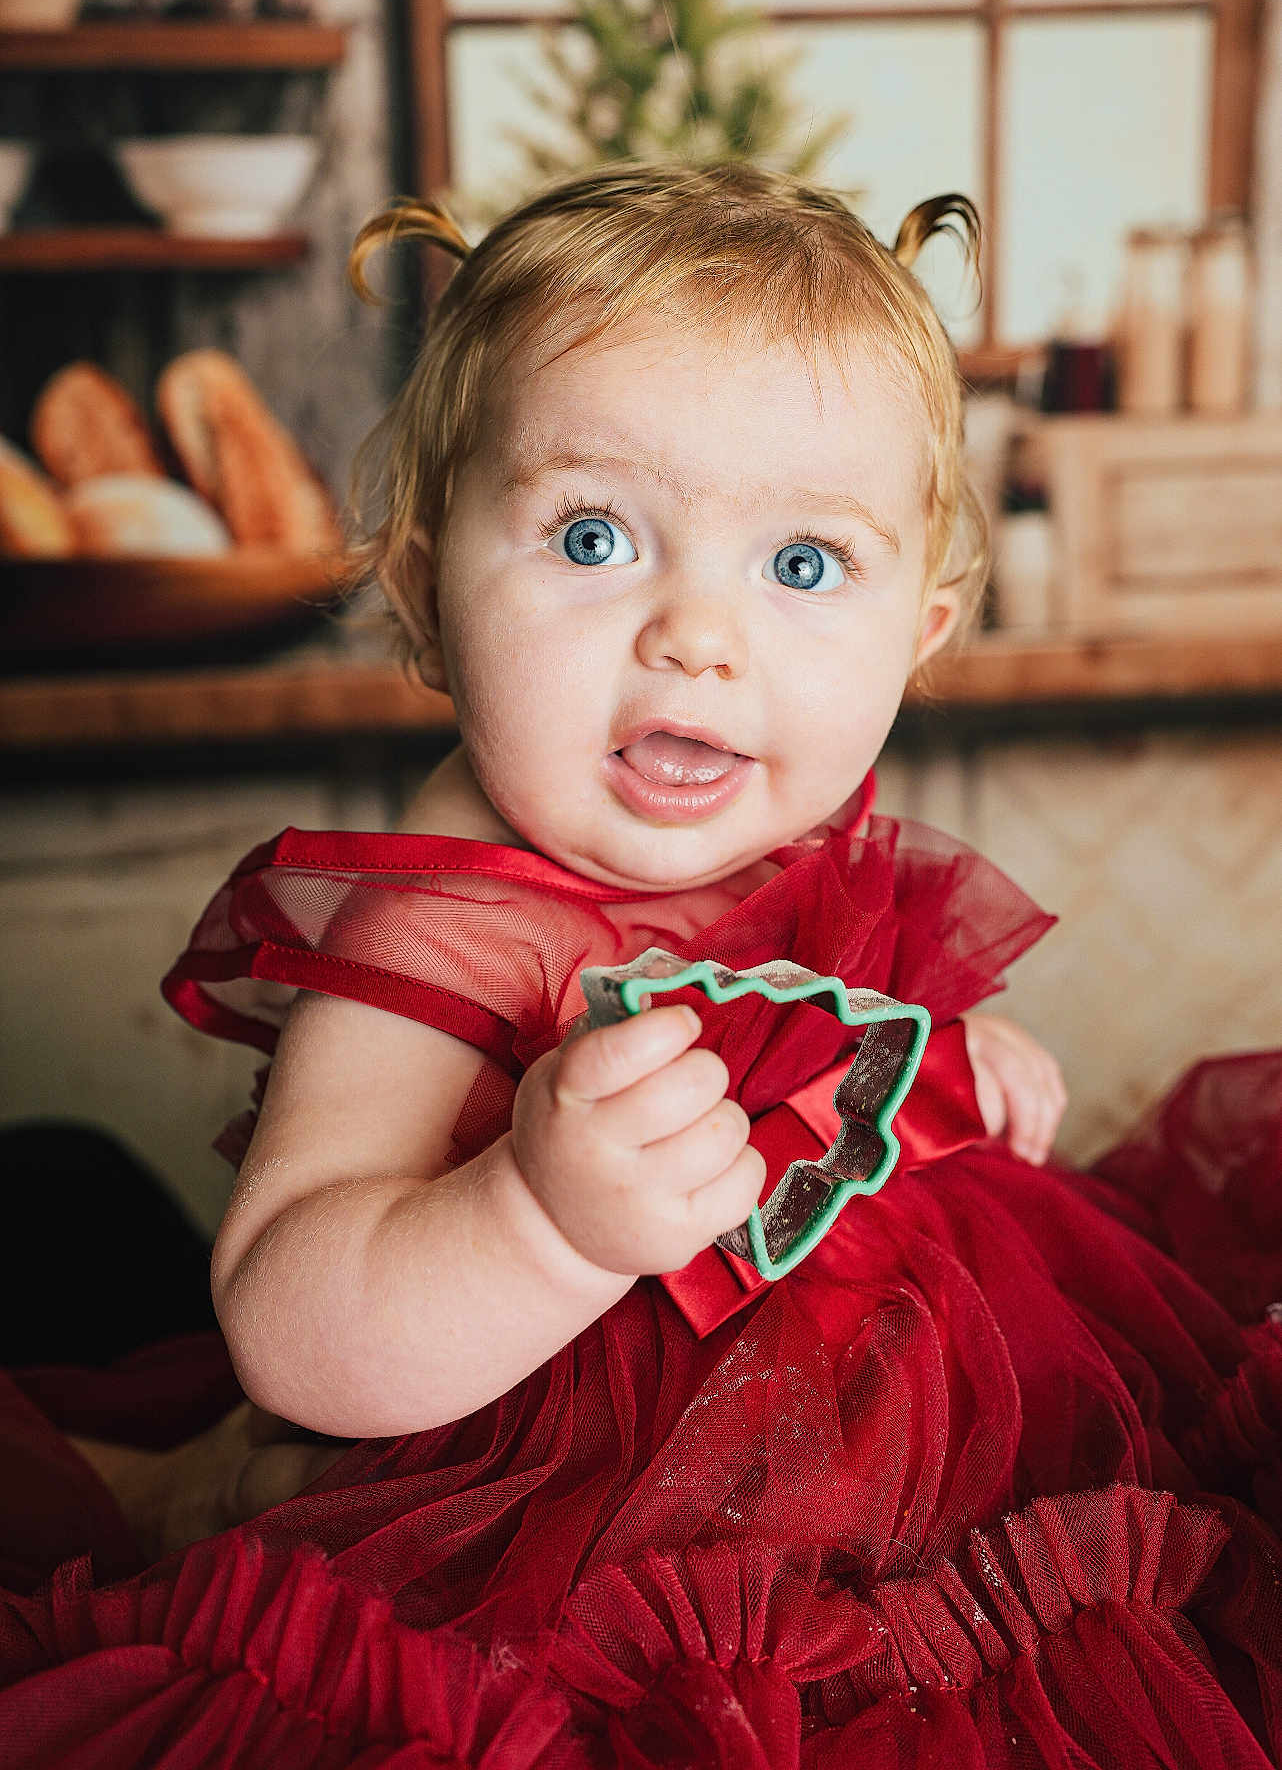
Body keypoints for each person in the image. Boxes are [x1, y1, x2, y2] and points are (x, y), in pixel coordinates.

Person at [0, 162, 1277, 1766]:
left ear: (921, 630)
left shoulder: (786, 815)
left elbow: (819, 1047)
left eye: (802, 567)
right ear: (422, 585)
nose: (698, 633)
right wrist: (535, 1218)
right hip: (577, 1534)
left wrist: (944, 1070)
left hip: (919, 1447)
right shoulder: (452, 916)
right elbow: (289, 1321)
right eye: (593, 536)